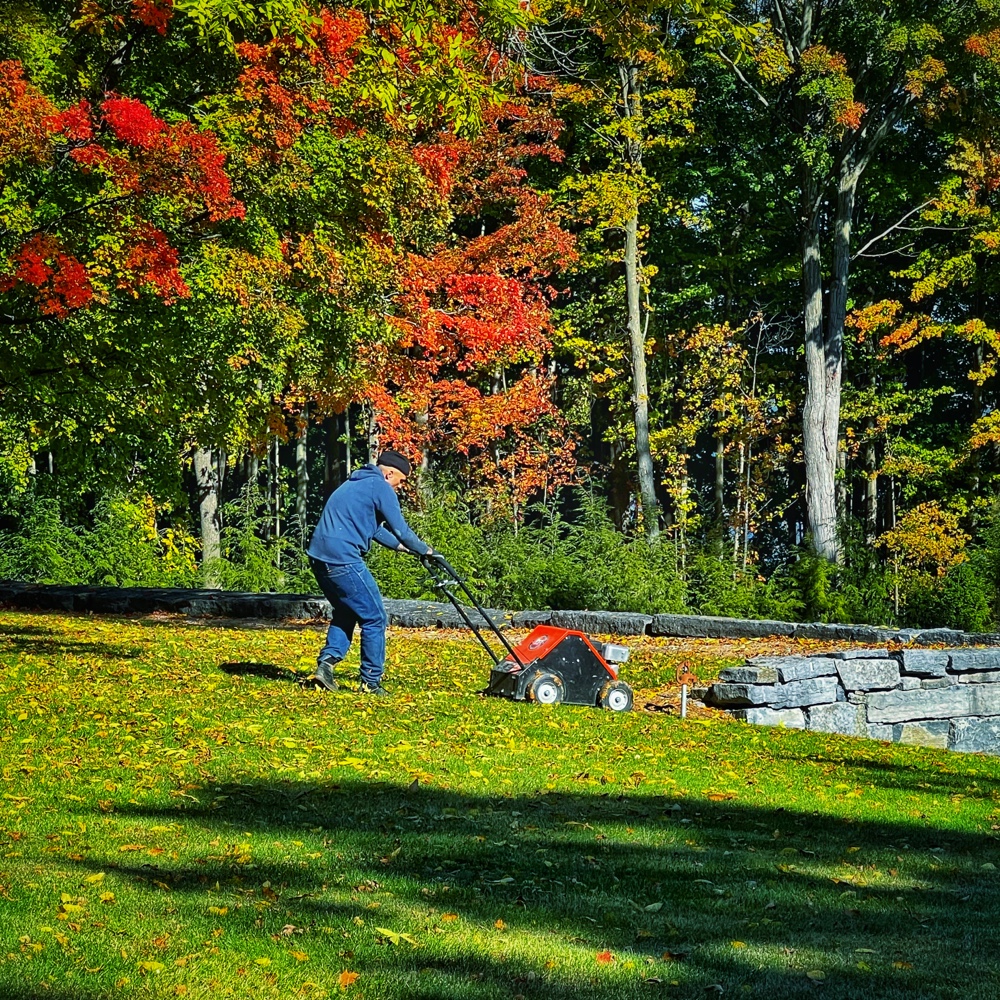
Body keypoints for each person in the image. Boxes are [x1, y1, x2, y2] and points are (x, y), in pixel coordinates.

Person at [304, 449, 434, 696]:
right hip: (342, 559)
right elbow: (402, 529)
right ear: (389, 474)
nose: (400, 486)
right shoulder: (381, 487)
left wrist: (404, 549)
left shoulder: (356, 483)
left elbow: (374, 530)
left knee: (346, 609)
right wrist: (426, 550)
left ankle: (327, 665)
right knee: (375, 617)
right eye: (401, 481)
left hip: (320, 558)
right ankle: (371, 683)